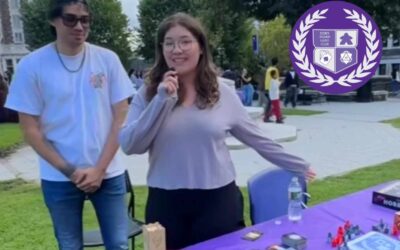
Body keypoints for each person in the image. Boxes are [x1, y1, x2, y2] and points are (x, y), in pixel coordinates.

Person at [119, 12, 316, 249]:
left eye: (185, 41)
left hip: (217, 201)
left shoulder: (221, 92)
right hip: (166, 202)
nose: (176, 49)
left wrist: (299, 165)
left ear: (201, 47)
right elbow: (130, 145)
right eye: (169, 43)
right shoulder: (148, 93)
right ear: (161, 49)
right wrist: (161, 100)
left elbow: (258, 139)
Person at [4, 0, 134, 249]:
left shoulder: (107, 59)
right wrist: (71, 172)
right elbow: (30, 130)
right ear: (53, 20)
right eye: (70, 19)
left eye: (85, 19)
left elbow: (121, 116)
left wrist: (99, 169)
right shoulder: (32, 65)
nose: (79, 26)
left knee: (118, 245)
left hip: (108, 172)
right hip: (59, 177)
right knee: (69, 245)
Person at [263, 57, 279, 122]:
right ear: (277, 63)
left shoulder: (268, 69)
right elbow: (275, 79)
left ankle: (268, 116)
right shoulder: (275, 70)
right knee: (273, 103)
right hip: (272, 89)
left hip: (268, 87)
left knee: (270, 103)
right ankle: (267, 117)